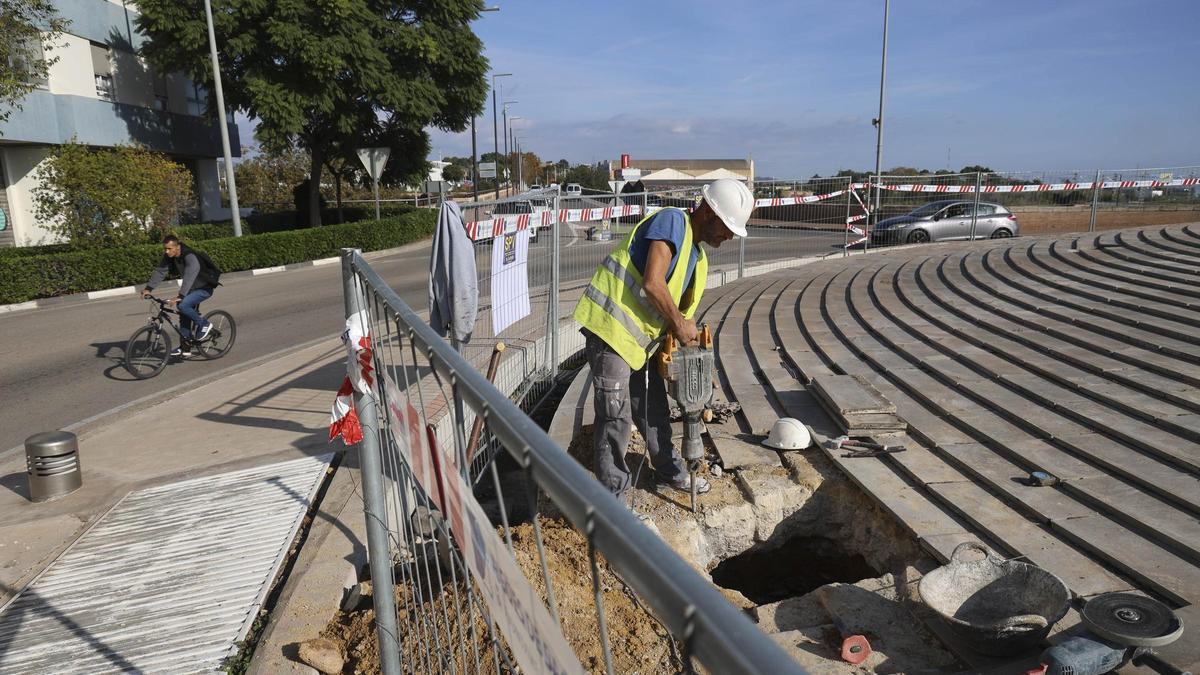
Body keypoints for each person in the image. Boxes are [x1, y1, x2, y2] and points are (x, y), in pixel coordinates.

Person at [572, 178, 755, 505]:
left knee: (653, 407)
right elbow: (654, 284)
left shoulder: (697, 259)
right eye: (727, 227)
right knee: (615, 415)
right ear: (709, 212)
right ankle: (613, 501)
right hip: (610, 330)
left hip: (640, 345)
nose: (728, 236)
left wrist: (693, 362)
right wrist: (681, 325)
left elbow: (679, 321)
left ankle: (668, 468)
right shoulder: (672, 222)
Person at [142, 234, 222, 357]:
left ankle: (204, 324)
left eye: (169, 249)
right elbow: (160, 271)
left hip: (204, 288)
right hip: (191, 289)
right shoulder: (169, 257)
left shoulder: (190, 256)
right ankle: (185, 347)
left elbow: (190, 275)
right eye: (165, 249)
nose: (166, 251)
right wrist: (148, 289)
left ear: (177, 247)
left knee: (183, 305)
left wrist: (181, 295)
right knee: (183, 313)